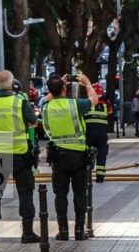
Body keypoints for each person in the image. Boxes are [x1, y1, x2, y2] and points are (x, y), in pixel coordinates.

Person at [0, 70, 39, 244]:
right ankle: (27, 233)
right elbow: (33, 122)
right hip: (19, 154)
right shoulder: (20, 103)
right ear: (13, 83)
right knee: (25, 193)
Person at [42, 73, 99, 240]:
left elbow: (47, 98)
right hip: (79, 157)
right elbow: (94, 100)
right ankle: (80, 231)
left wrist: (60, 83)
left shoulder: (46, 107)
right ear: (65, 89)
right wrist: (87, 83)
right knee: (80, 194)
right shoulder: (74, 105)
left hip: (58, 157)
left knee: (60, 195)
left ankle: (63, 231)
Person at [84, 83, 109, 184]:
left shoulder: (87, 103)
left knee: (84, 154)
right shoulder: (106, 104)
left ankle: (85, 174)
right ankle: (100, 177)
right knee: (102, 155)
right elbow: (110, 112)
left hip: (89, 132)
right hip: (102, 133)